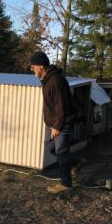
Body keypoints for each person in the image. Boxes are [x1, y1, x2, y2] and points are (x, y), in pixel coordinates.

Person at [30, 51, 77, 194]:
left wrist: (57, 126)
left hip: (63, 123)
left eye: (33, 66)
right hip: (57, 122)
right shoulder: (47, 79)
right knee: (51, 147)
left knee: (61, 152)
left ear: (41, 66)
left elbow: (61, 105)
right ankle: (77, 162)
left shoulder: (55, 80)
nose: (32, 69)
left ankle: (66, 184)